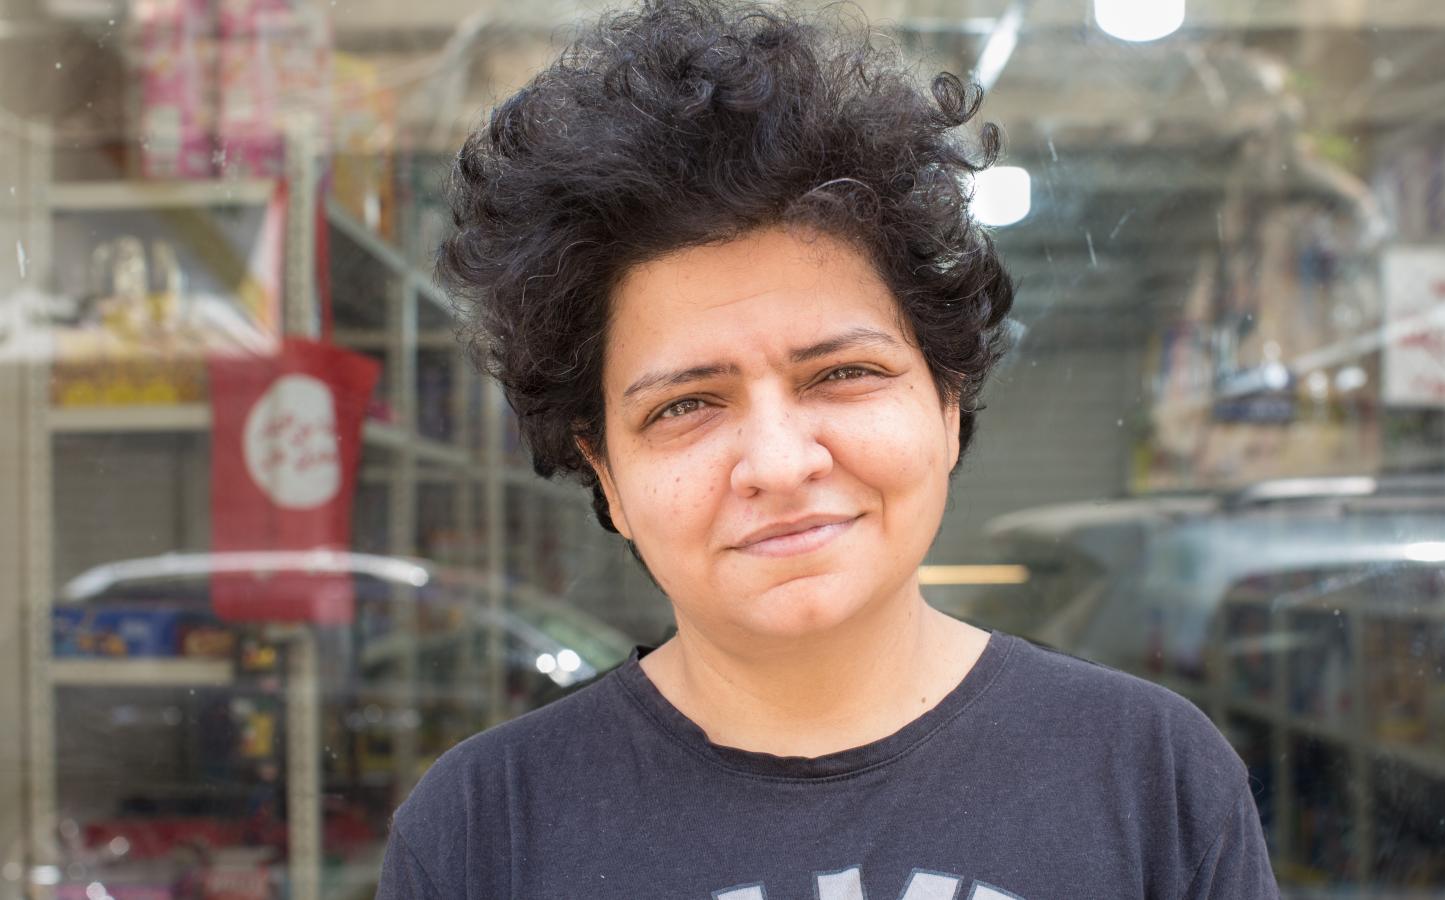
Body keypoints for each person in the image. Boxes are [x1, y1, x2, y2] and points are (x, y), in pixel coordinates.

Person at [377, 0, 1279, 897]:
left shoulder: (1150, 777)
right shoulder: (482, 831)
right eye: (686, 404)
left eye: (842, 374)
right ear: (605, 472)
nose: (778, 463)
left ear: (947, 398)